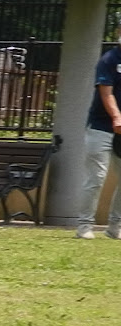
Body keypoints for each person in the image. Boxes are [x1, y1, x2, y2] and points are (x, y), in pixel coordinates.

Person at [75, 31, 121, 240]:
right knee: (96, 178)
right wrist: (116, 116)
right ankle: (84, 226)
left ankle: (115, 227)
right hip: (101, 127)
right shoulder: (109, 60)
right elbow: (106, 92)